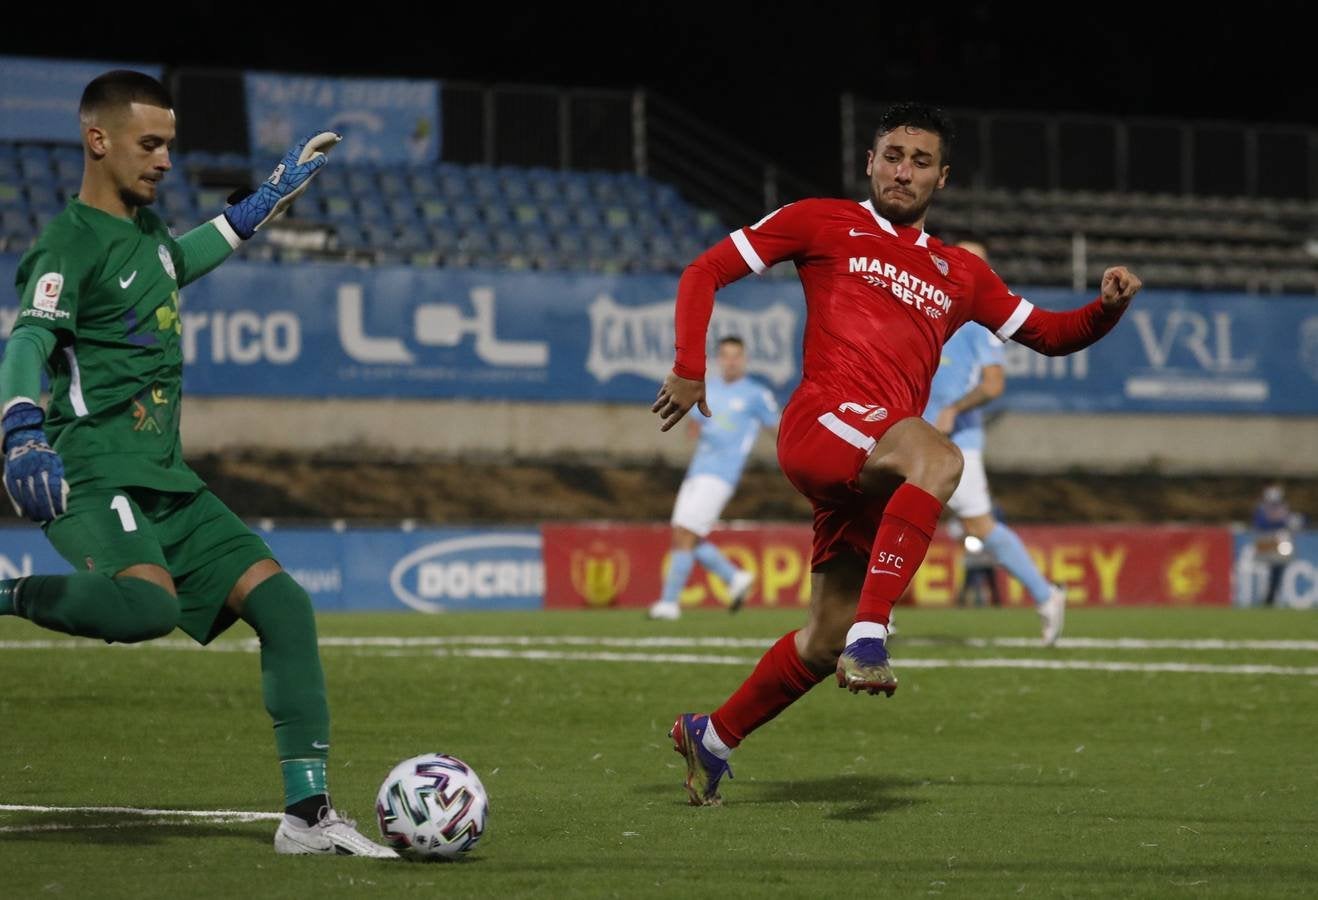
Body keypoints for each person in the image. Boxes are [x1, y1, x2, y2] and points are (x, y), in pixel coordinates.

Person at [651, 101, 1142, 805]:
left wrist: (1106, 310)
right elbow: (705, 271)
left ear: (943, 178)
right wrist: (688, 364)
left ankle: (713, 737)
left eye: (920, 161)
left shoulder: (960, 273)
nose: (903, 171)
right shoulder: (821, 220)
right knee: (940, 459)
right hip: (824, 422)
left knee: (821, 640)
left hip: (872, 463)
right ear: (870, 162)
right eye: (892, 156)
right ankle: (873, 635)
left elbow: (1050, 333)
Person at [0, 71, 394, 857]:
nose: (166, 161)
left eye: (170, 145)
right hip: (93, 471)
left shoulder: (146, 234)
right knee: (146, 609)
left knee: (285, 609)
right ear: (98, 140)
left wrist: (266, 200)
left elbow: (176, 261)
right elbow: (31, 336)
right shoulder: (67, 243)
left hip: (165, 477)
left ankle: (307, 817)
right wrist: (19, 427)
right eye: (150, 144)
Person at [922, 238, 1066, 643]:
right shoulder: (927, 306)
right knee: (885, 515)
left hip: (955, 442)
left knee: (979, 524)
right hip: (914, 434)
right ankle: (874, 618)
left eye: (974, 262)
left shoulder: (981, 323)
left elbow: (993, 385)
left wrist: (953, 409)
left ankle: (1046, 594)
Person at [648, 336, 777, 621]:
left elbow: (777, 430)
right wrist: (694, 428)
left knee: (687, 532)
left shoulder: (756, 394)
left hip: (721, 474)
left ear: (744, 360)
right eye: (725, 356)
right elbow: (694, 426)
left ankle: (669, 603)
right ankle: (734, 577)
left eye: (736, 356)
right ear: (718, 360)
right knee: (682, 533)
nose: (730, 361)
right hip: (698, 470)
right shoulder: (708, 389)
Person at [1252, 484, 1303, 607]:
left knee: (1278, 569)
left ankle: (1271, 597)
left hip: (1281, 541)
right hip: (1266, 542)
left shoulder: (1283, 507)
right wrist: (1282, 522)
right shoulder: (1262, 508)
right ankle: (1264, 597)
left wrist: (1293, 522)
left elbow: (1292, 523)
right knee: (1264, 570)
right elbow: (1261, 524)